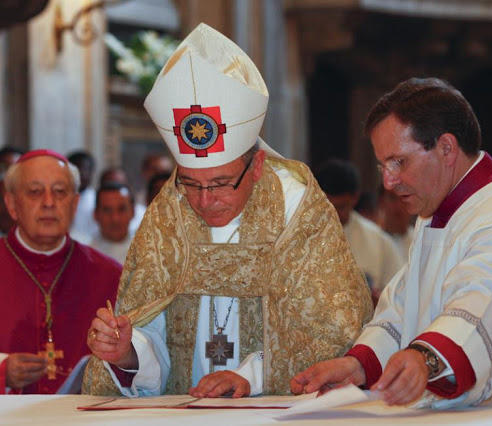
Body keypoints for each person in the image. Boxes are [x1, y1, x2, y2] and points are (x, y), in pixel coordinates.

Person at [82, 23, 372, 398]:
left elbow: (329, 330)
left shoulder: (297, 207)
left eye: (220, 183)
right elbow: (150, 324)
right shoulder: (169, 210)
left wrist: (252, 376)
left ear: (256, 166)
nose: (204, 201)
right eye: (191, 182)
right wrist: (128, 353)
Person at [291, 77, 492, 409]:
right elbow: (404, 308)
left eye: (399, 162)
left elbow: (487, 299)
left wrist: (426, 358)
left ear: (446, 148)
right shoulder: (437, 211)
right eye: (383, 166)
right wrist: (358, 364)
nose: (388, 181)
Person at [0, 150, 121, 394]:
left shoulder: (110, 275)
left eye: (60, 191)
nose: (48, 203)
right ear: (12, 204)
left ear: (74, 204)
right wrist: (2, 371)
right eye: (35, 192)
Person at [316, 159, 403, 302]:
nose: (333, 213)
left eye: (341, 207)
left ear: (355, 198)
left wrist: (380, 300)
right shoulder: (302, 235)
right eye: (327, 206)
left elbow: (400, 296)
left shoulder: (379, 241)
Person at [90, 182, 135, 264]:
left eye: (121, 209)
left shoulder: (149, 253)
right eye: (107, 210)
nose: (115, 218)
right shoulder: (85, 256)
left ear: (133, 212)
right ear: (95, 215)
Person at [67, 151, 97, 244]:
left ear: (91, 173)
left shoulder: (97, 200)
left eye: (83, 170)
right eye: (75, 171)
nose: (79, 175)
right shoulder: (56, 199)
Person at [377, 186, 414, 259]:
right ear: (381, 202)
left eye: (404, 198)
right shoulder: (372, 240)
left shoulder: (421, 241)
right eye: (393, 198)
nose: (399, 205)